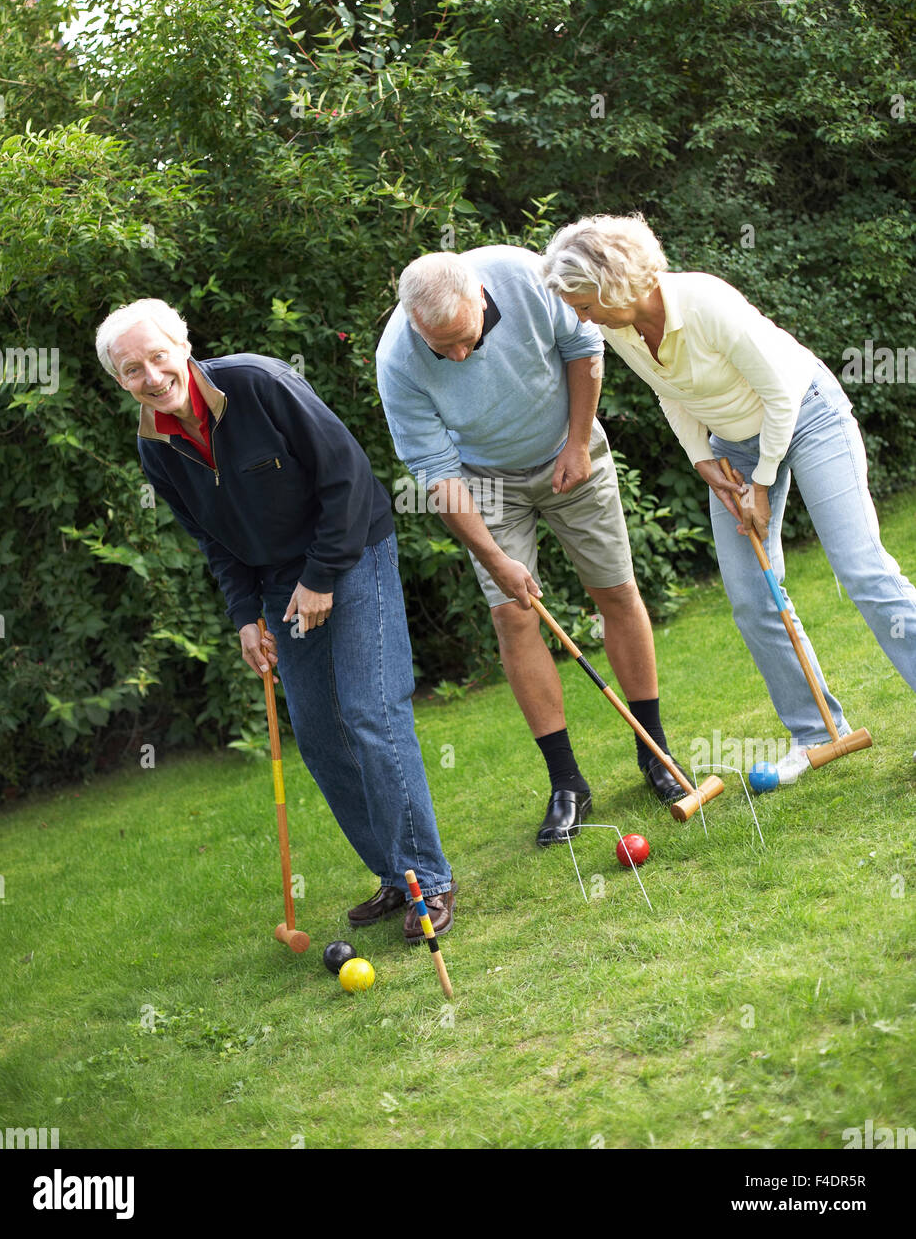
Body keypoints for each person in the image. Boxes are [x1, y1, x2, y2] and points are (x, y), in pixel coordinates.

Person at [95, 298, 456, 941]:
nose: (151, 376)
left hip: (352, 548)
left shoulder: (259, 383)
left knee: (371, 712)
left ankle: (427, 879)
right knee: (318, 732)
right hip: (276, 583)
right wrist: (243, 616)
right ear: (119, 382)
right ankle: (393, 872)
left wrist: (320, 577)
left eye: (157, 356)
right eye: (131, 370)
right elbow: (216, 541)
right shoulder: (157, 447)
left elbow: (346, 476)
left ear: (182, 347)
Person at [542, 214, 916, 778]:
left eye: (584, 303)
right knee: (749, 596)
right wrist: (705, 462)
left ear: (613, 281)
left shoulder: (704, 302)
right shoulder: (618, 329)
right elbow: (671, 395)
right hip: (735, 445)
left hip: (808, 416)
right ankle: (817, 732)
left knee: (860, 568)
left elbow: (780, 394)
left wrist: (761, 483)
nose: (579, 316)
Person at [376, 246, 691, 848]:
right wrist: (495, 559)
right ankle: (567, 782)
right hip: (483, 481)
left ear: (481, 298)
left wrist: (577, 444)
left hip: (568, 449)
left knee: (616, 591)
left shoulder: (525, 276)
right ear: (415, 322)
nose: (460, 356)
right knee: (513, 616)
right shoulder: (398, 359)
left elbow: (585, 350)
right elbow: (435, 469)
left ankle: (654, 751)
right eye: (444, 349)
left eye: (467, 337)